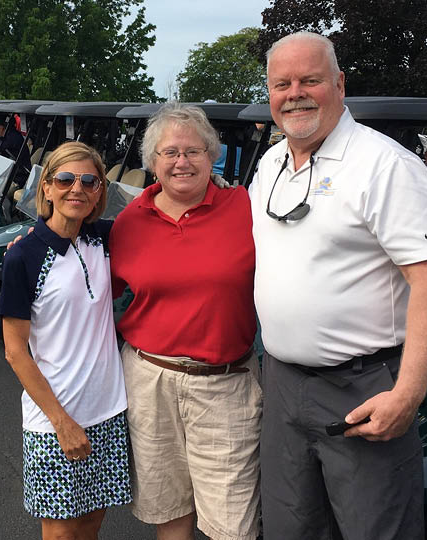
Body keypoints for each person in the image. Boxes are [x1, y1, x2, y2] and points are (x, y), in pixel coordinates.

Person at [249, 32, 427, 540]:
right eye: (281, 83)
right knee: (290, 528)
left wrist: (407, 394)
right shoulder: (271, 164)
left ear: (339, 84)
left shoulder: (387, 167)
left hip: (362, 387)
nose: (294, 93)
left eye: (310, 80)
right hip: (283, 383)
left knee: (373, 530)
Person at [109, 102, 261, 540]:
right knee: (169, 510)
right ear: (153, 162)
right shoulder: (130, 220)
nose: (181, 162)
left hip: (225, 385)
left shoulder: (245, 208)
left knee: (232, 523)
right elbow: (97, 289)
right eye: (169, 153)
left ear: (212, 155)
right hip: (149, 379)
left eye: (193, 151)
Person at [0, 141, 131, 540]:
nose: (78, 188)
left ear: (99, 193)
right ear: (47, 188)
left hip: (107, 408)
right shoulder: (24, 256)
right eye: (66, 179)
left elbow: (154, 213)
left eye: (89, 181)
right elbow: (15, 351)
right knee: (59, 531)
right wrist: (61, 422)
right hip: (55, 418)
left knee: (92, 521)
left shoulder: (104, 239)